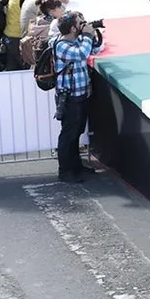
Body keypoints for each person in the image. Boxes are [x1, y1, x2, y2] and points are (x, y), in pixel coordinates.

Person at [52, 12, 99, 183]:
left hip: (81, 94)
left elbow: (94, 49)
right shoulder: (61, 45)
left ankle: (76, 166)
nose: (83, 25)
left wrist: (93, 34)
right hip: (70, 97)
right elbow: (81, 54)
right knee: (68, 134)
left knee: (77, 132)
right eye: (80, 23)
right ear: (72, 28)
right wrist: (86, 34)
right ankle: (65, 171)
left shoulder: (75, 40)